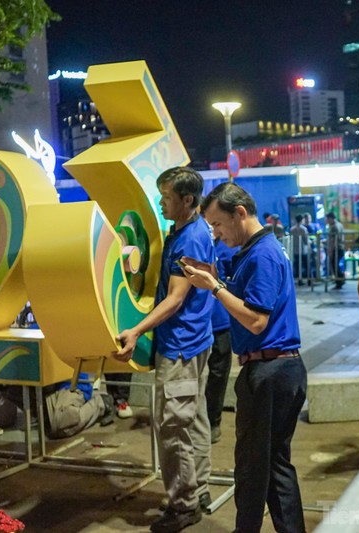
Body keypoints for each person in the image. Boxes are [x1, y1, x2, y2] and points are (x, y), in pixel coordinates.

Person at [181, 182, 307, 533]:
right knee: (274, 465)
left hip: (270, 370)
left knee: (253, 467)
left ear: (240, 213)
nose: (217, 235)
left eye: (219, 225)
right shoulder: (259, 250)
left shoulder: (262, 254)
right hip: (278, 369)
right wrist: (214, 276)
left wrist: (216, 288)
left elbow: (255, 319)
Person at [115, 166, 215, 533]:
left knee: (173, 428)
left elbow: (175, 299)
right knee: (194, 421)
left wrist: (136, 330)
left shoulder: (190, 239)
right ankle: (198, 489)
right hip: (195, 341)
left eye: (167, 197)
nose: (161, 203)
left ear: (188, 200)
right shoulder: (189, 230)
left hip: (180, 347)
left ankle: (184, 505)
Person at [205, 238, 237, 444]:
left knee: (217, 374)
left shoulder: (228, 248)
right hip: (196, 322)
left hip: (220, 321)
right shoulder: (191, 241)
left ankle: (213, 421)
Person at [325, 212, 346, 289]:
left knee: (334, 265)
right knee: (336, 265)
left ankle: (339, 281)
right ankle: (340, 279)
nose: (327, 220)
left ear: (330, 218)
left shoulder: (334, 227)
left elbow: (334, 240)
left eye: (327, 219)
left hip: (336, 248)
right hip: (340, 247)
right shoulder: (339, 224)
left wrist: (331, 250)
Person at [289, 214, 310, 285]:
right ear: (302, 220)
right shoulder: (303, 229)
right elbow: (306, 241)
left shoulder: (292, 229)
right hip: (303, 250)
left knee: (297, 266)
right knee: (306, 265)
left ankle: (299, 280)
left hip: (295, 250)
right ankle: (309, 280)